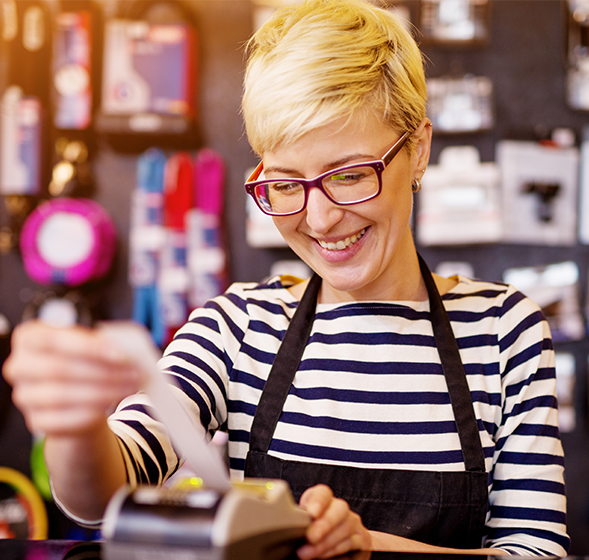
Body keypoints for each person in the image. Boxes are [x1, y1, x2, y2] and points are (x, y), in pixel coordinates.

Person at [4, 0, 569, 558]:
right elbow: (104, 492)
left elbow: (537, 553)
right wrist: (73, 427)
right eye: (285, 183)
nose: (320, 219)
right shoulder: (238, 327)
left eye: (349, 175)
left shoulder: (503, 332)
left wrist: (369, 548)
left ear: (417, 150)